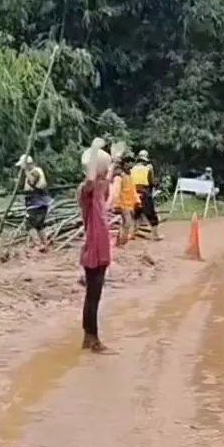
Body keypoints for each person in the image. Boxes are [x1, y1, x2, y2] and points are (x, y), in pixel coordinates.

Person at [77, 147, 113, 352]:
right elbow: (91, 181)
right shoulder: (86, 190)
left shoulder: (99, 191)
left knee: (94, 296)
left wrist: (114, 161)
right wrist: (93, 152)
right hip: (93, 249)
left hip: (101, 250)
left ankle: (89, 338)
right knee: (92, 296)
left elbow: (105, 181)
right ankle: (91, 337)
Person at [15, 154, 52, 251]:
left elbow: (32, 181)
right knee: (39, 224)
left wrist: (25, 170)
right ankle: (44, 243)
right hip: (38, 202)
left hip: (37, 202)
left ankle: (38, 244)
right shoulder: (33, 172)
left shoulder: (35, 172)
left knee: (30, 224)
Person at [131, 149, 163, 241]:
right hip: (144, 192)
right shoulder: (148, 168)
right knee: (151, 214)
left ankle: (133, 233)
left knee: (136, 213)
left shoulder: (132, 168)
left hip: (134, 192)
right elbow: (151, 182)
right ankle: (155, 235)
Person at [111, 152, 140, 246]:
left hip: (130, 204)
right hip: (123, 204)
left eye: (131, 162)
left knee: (126, 224)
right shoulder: (119, 177)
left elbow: (133, 190)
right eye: (128, 162)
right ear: (123, 164)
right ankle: (121, 242)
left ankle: (121, 241)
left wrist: (137, 201)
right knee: (126, 223)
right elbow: (115, 191)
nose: (130, 164)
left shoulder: (129, 176)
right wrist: (116, 205)